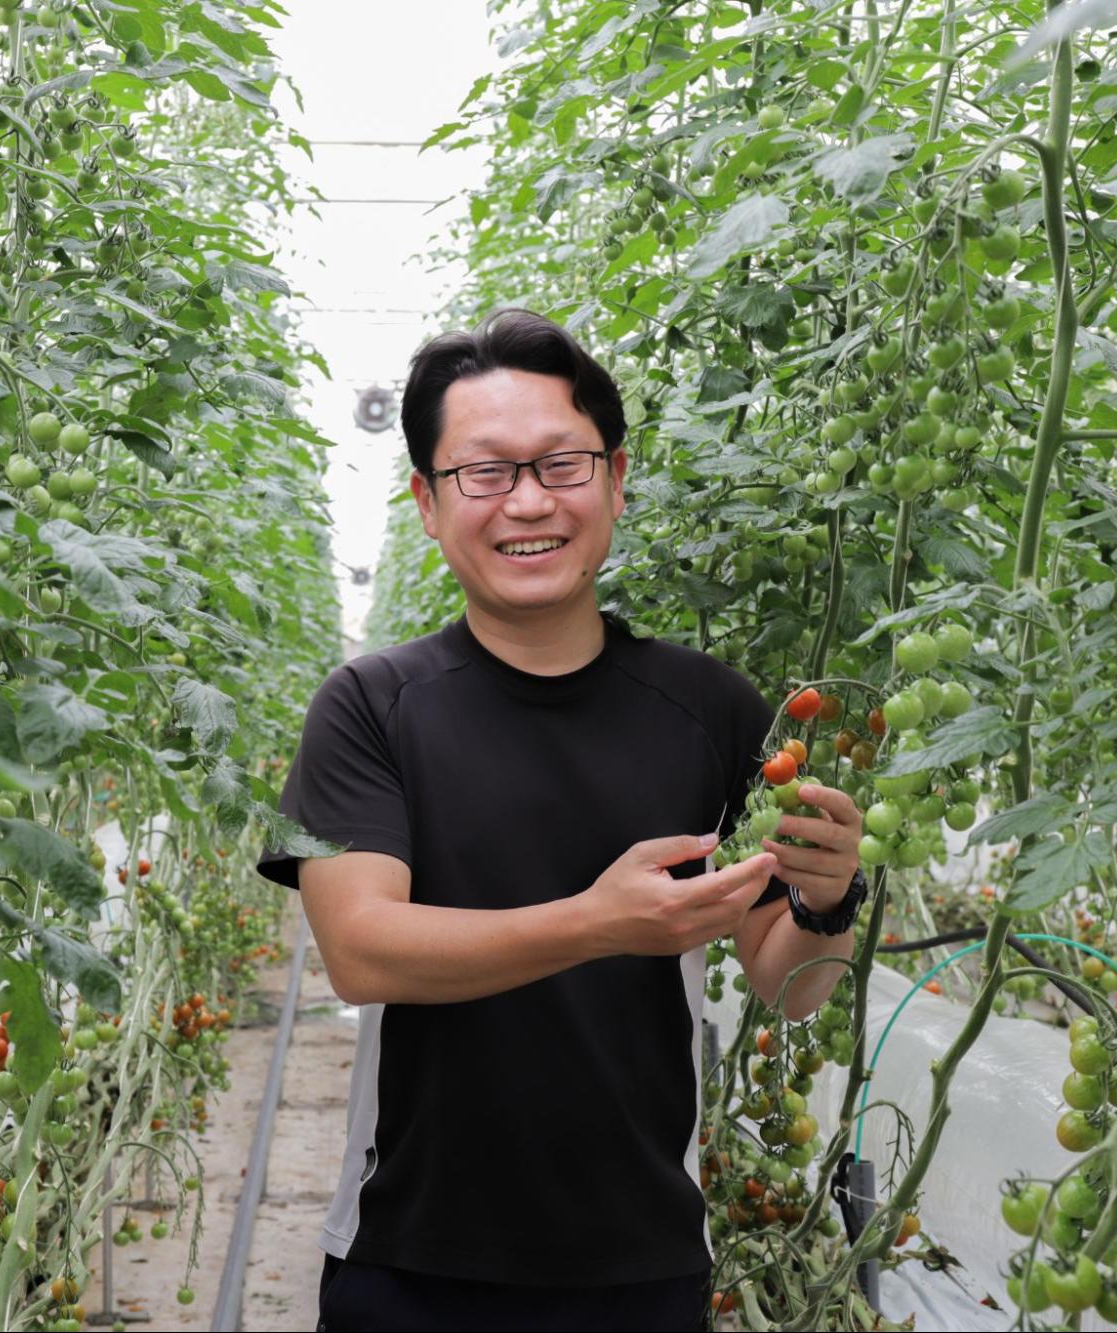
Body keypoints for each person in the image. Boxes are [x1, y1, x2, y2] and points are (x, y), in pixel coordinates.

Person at [255, 308, 865, 1332]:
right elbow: (360, 952)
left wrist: (826, 896)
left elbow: (788, 983)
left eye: (561, 464)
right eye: (484, 472)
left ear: (615, 480)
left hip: (644, 1259)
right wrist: (596, 922)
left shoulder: (713, 709)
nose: (528, 500)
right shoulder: (368, 706)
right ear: (427, 502)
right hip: (408, 1257)